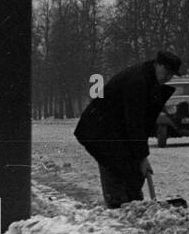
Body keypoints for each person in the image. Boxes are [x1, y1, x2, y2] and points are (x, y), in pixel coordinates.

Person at [74, 50, 180, 208]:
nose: (168, 78)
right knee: (115, 173)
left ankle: (133, 207)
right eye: (167, 72)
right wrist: (142, 157)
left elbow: (141, 123)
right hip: (102, 133)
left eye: (172, 75)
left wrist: (141, 157)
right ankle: (118, 213)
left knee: (133, 175)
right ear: (157, 64)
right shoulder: (137, 81)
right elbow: (134, 122)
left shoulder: (149, 79)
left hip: (117, 131)